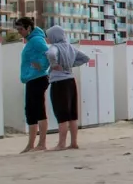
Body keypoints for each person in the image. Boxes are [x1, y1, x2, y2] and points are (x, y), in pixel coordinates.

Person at [44, 25, 86, 151]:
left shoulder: (55, 47)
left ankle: (61, 144)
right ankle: (74, 142)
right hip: (71, 81)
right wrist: (70, 65)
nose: (47, 38)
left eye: (48, 36)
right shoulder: (70, 47)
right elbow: (85, 58)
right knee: (72, 114)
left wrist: (55, 64)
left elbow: (51, 54)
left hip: (59, 83)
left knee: (61, 113)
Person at [15, 17, 50, 153]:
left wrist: (41, 66)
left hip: (38, 78)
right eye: (17, 29)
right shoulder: (31, 41)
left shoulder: (37, 40)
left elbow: (48, 53)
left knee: (38, 110)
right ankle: (31, 144)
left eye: (21, 29)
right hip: (31, 79)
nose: (19, 32)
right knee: (30, 111)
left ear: (28, 28)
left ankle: (42, 143)